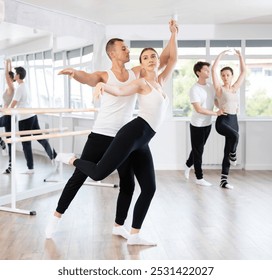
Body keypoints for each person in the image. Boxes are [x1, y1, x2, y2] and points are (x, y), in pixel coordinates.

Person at [45, 20, 176, 245]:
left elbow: (164, 59)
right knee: (80, 177)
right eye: (123, 48)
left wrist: (173, 35)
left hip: (124, 136)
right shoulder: (104, 75)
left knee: (128, 182)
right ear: (112, 53)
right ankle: (55, 218)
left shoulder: (138, 73)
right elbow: (88, 79)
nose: (128, 51)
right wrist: (76, 73)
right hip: (101, 134)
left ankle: (119, 227)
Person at [8, 65, 57, 174]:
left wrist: (5, 110)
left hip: (25, 119)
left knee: (26, 144)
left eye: (15, 73)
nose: (14, 75)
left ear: (18, 75)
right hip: (32, 116)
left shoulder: (19, 88)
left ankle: (30, 168)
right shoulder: (26, 85)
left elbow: (13, 105)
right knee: (41, 138)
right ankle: (54, 156)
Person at [184, 61, 224, 186]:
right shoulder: (194, 89)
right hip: (197, 125)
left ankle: (187, 165)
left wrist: (221, 107)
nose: (208, 72)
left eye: (208, 70)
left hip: (208, 124)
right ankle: (199, 178)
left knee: (198, 149)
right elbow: (199, 109)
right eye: (206, 70)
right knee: (198, 151)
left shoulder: (211, 86)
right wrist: (216, 113)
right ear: (198, 72)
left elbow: (215, 101)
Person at [211, 49, 246, 189]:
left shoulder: (235, 88)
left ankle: (224, 180)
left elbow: (243, 72)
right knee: (236, 136)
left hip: (234, 120)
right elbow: (213, 69)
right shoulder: (220, 89)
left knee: (226, 150)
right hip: (223, 121)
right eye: (223, 75)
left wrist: (240, 56)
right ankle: (234, 154)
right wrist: (221, 54)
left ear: (232, 76)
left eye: (228, 75)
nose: (225, 77)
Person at [0, 59, 15, 173]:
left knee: (10, 141)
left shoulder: (11, 88)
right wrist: (9, 64)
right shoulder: (9, 87)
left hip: (9, 117)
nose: (6, 79)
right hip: (5, 116)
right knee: (8, 140)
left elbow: (7, 74)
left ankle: (11, 166)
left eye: (7, 78)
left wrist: (5, 64)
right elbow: (9, 74)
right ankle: (1, 142)